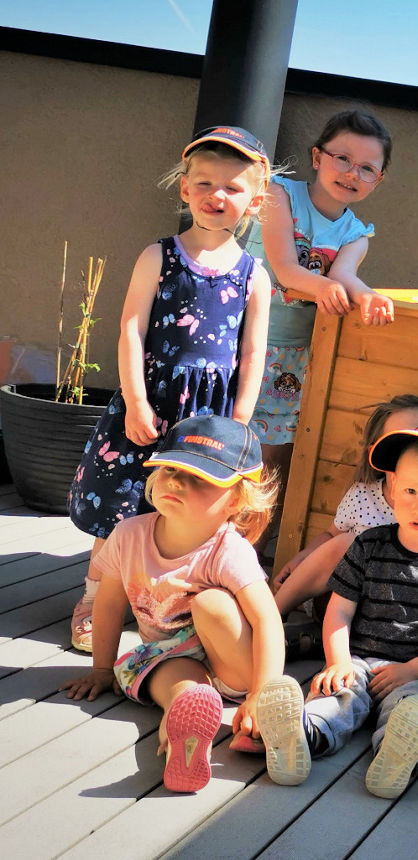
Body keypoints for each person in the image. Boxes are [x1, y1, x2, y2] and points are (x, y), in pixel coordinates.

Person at [67, 126, 273, 652]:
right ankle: (96, 598)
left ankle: (169, 604)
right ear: (185, 189)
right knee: (124, 504)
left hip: (208, 418)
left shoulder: (253, 275)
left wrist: (240, 420)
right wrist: (135, 400)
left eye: (232, 187)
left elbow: (252, 353)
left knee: (188, 509)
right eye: (204, 183)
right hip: (153, 403)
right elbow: (131, 330)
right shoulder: (159, 256)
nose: (216, 196)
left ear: (256, 199)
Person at [60, 415, 295, 793]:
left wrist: (260, 695)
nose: (177, 481)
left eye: (199, 478)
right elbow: (107, 603)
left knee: (213, 603)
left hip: (231, 659)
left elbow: (267, 620)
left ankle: (259, 713)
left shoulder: (228, 549)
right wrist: (102, 670)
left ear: (236, 499)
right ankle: (183, 741)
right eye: (171, 468)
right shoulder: (129, 534)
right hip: (168, 656)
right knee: (183, 690)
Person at [257, 416, 418, 798]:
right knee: (337, 696)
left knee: (416, 709)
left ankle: (396, 756)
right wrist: (338, 661)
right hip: (360, 661)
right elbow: (339, 611)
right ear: (393, 486)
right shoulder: (368, 544)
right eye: (411, 490)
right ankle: (300, 735)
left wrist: (412, 670)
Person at [249, 109, 397, 554]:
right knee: (227, 441)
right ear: (317, 157)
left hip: (292, 352)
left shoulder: (357, 233)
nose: (352, 173)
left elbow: (348, 277)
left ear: (378, 181)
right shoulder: (278, 195)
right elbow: (285, 267)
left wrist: (368, 296)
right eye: (342, 158)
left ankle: (248, 555)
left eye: (367, 168)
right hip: (241, 340)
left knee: (273, 458)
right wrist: (328, 285)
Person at [271, 394, 418, 621]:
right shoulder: (363, 495)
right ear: (380, 452)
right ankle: (271, 618)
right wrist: (302, 559)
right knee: (347, 543)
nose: (412, 454)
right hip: (345, 601)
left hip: (410, 613)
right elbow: (332, 535)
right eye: (400, 445)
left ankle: (312, 642)